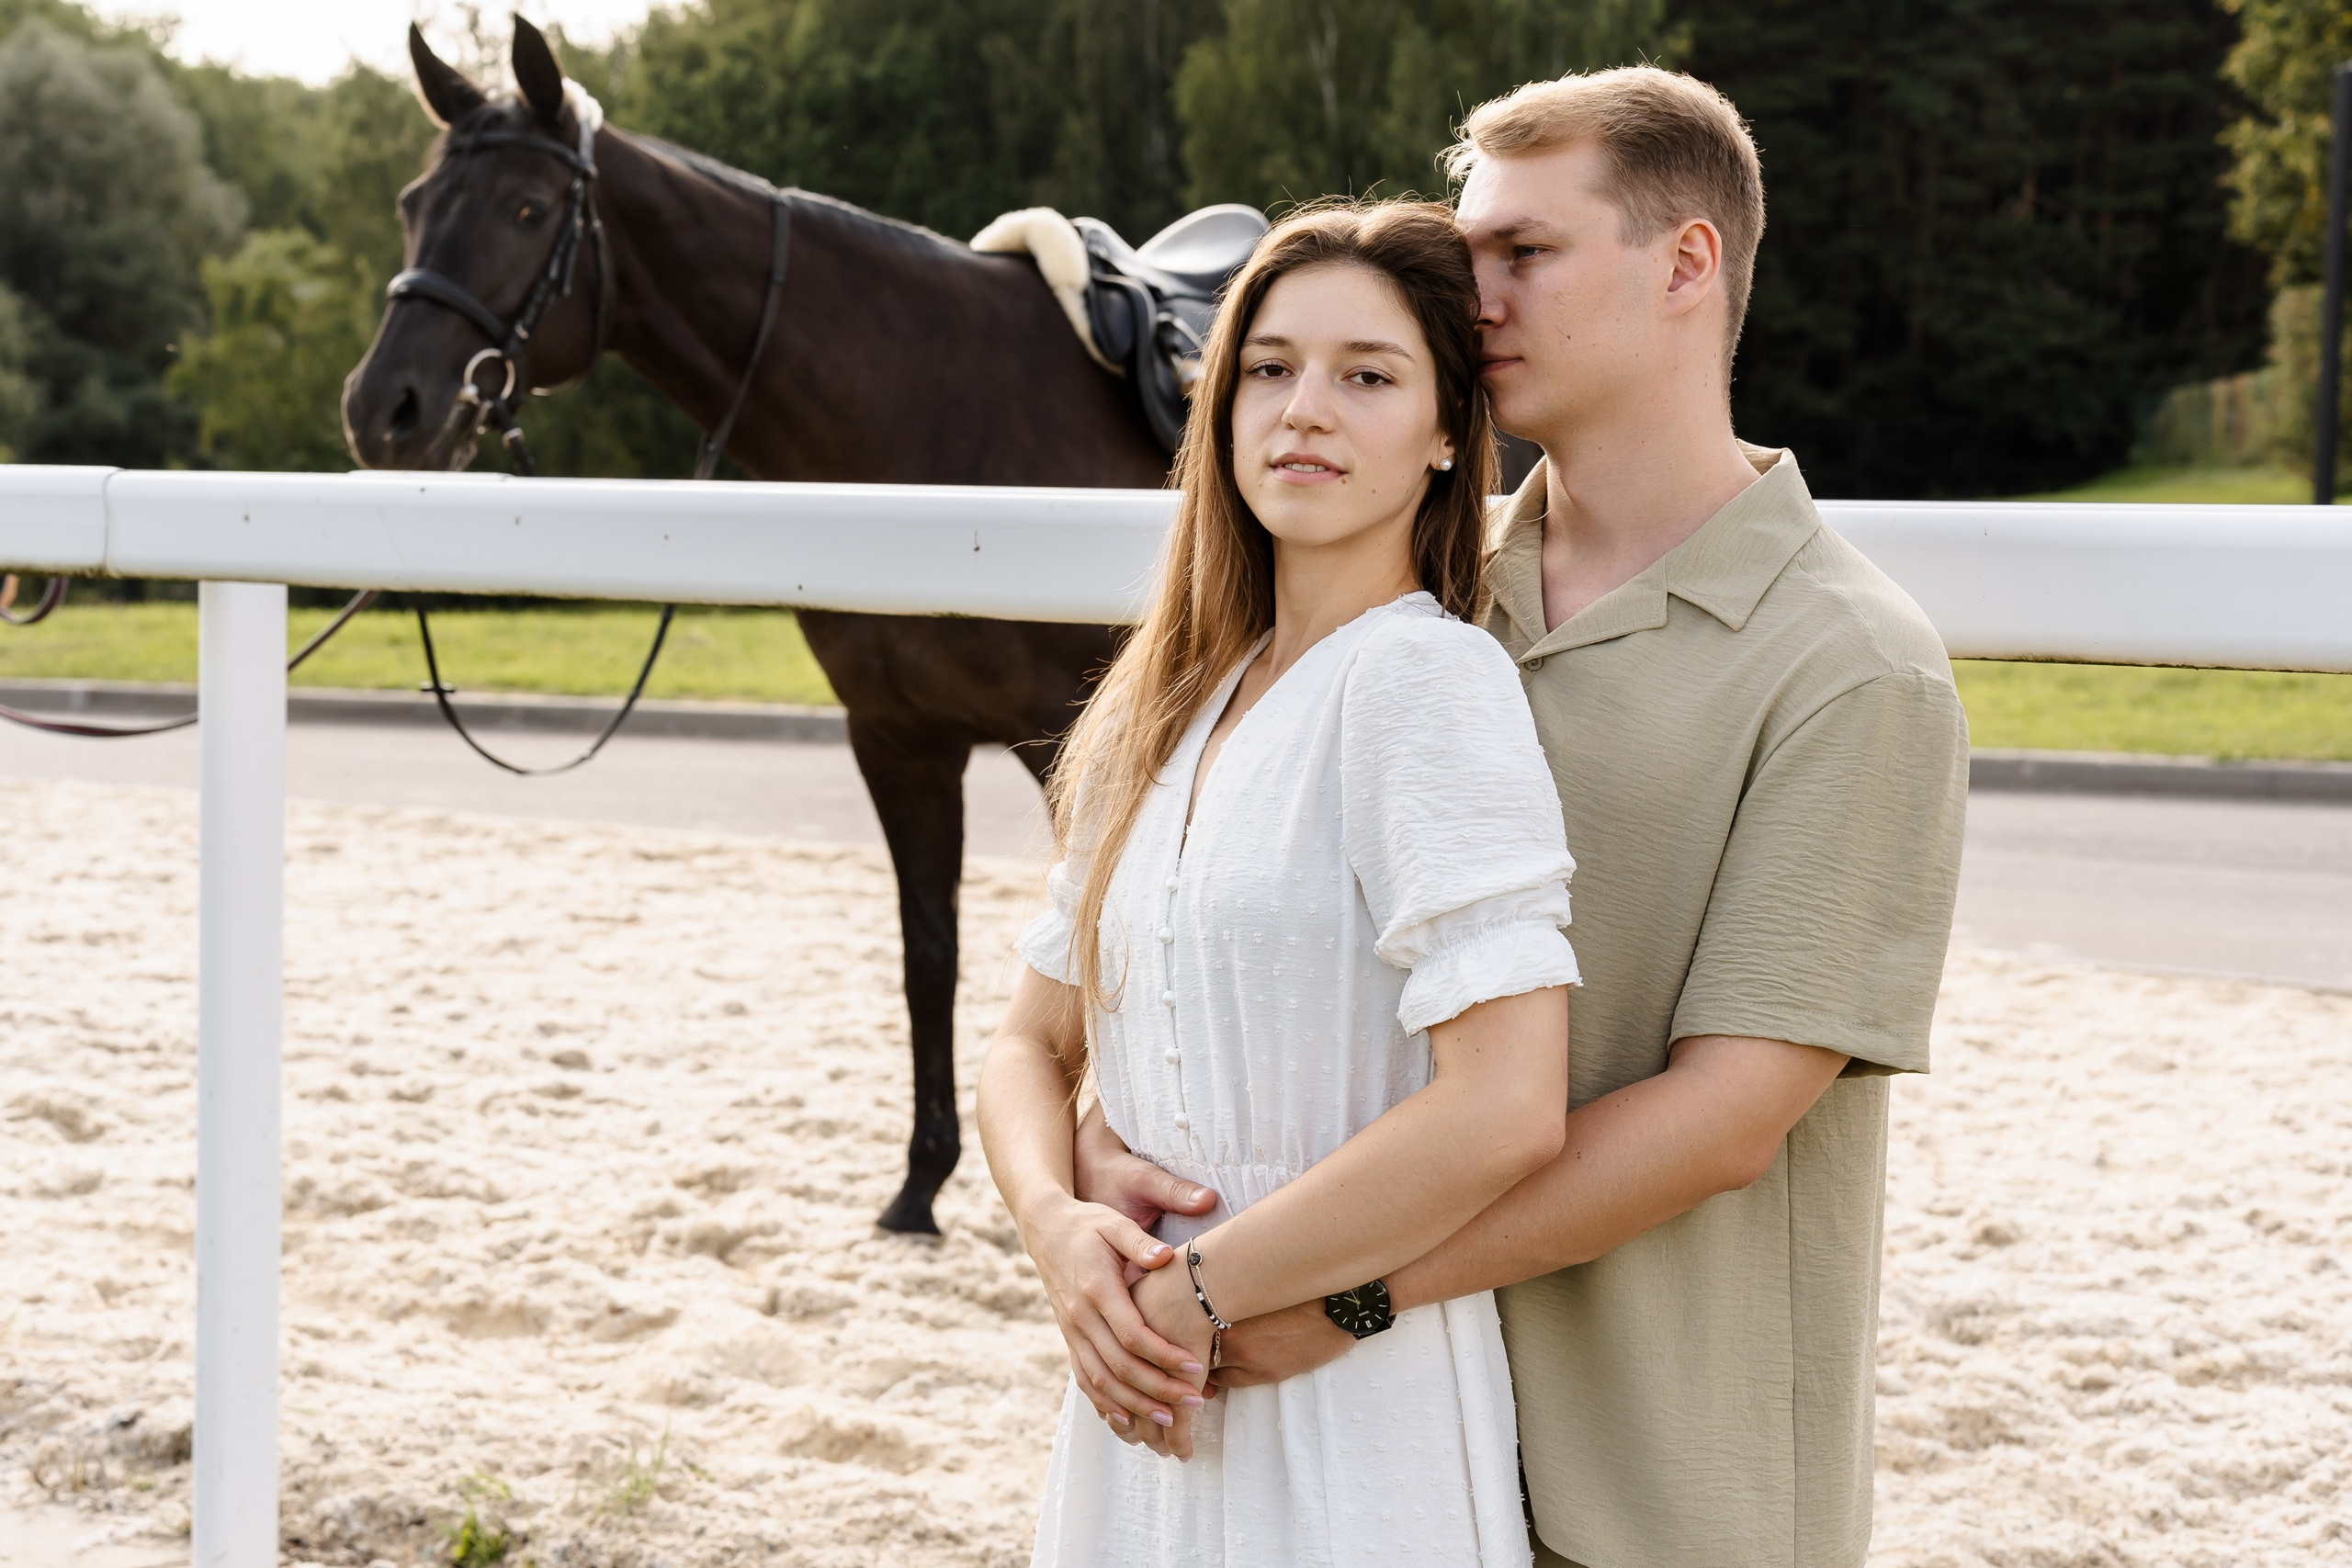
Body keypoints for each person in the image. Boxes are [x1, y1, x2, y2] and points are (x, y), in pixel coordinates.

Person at [1056, 68, 1972, 1568]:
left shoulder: (1851, 666)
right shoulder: (1403, 599)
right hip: (1385, 1444)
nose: (1468, 295)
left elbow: (1723, 1122)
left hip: (1655, 1485)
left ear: (1687, 265)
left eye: (1523, 255)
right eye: (1467, 251)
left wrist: (1339, 1297)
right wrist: (1116, 1153)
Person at [976, 200, 1584, 1567]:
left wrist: (1200, 1290)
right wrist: (1061, 1231)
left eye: (1366, 375)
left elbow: (1506, 1106)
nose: (1305, 407)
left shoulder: (1425, 683)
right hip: (1141, 1382)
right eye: (1269, 367)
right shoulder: (1167, 703)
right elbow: (1030, 1039)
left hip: (1339, 1397)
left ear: (1444, 434)